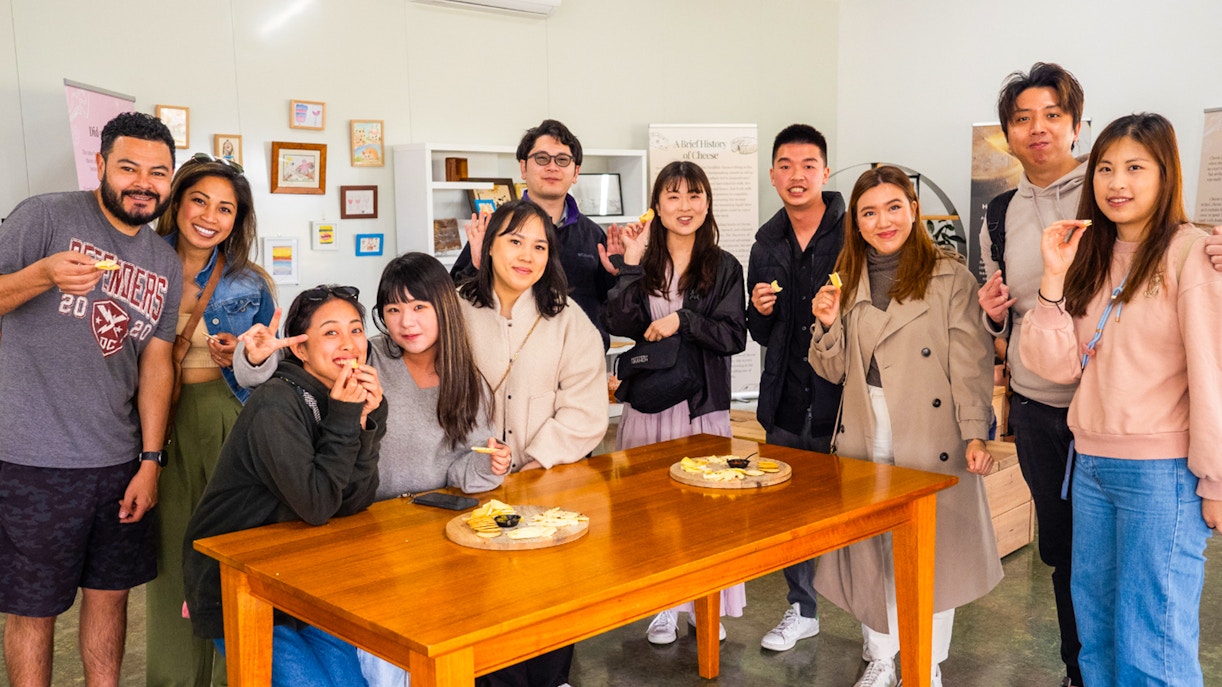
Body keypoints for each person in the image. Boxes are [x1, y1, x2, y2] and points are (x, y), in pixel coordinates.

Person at [1019, 113, 1222, 686]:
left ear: (1165, 175)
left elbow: (1212, 375)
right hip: (1091, 468)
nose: (1116, 182)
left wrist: (1216, 480)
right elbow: (1056, 365)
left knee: (1152, 646)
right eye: (1105, 168)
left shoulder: (1191, 253)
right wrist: (1054, 277)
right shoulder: (1089, 251)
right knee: (1099, 638)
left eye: (1135, 167)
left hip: (1162, 475)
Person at [0, 111, 181, 687]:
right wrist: (43, 275)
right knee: (34, 611)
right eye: (128, 167)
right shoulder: (45, 216)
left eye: (157, 172)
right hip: (32, 460)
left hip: (118, 462)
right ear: (100, 164)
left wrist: (150, 461)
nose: (142, 182)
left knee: (110, 601)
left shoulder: (163, 261)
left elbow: (156, 361)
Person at [809, 166, 1002, 687]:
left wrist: (976, 432)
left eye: (894, 207)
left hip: (929, 428)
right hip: (864, 425)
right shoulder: (843, 278)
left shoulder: (950, 277)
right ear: (857, 222)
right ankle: (881, 655)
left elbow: (969, 364)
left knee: (932, 552)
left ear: (914, 210)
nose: (883, 220)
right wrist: (826, 325)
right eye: (869, 212)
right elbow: (831, 371)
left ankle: (927, 662)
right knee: (870, 549)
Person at [182, 284, 387, 687]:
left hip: (303, 578)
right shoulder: (277, 403)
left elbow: (353, 502)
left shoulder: (341, 396)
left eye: (356, 330)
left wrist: (366, 424)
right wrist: (347, 419)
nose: (348, 343)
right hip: (238, 583)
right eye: (330, 332)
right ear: (300, 349)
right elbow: (316, 504)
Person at [460, 198, 607, 687]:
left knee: (547, 600)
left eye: (539, 245)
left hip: (547, 484)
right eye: (515, 241)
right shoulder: (455, 309)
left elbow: (585, 412)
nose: (527, 255)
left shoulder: (568, 319)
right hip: (470, 486)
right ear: (488, 247)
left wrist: (532, 465)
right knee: (479, 606)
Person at [975, 63, 1087, 687]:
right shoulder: (1000, 213)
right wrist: (992, 320)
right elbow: (1003, 318)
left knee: (1116, 552)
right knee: (1063, 550)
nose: (1037, 129)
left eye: (1051, 115)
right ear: (1008, 136)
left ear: (1075, 123)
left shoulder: (1108, 194)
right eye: (1021, 119)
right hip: (1038, 406)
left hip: (1106, 408)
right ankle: (1078, 669)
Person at [146, 153, 277, 687]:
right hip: (160, 426)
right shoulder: (138, 267)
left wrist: (243, 358)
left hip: (231, 421)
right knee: (170, 569)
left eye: (225, 208)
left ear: (236, 219)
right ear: (176, 202)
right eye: (199, 200)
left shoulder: (251, 281)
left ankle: (234, 678)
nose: (210, 215)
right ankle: (174, 679)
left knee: (229, 562)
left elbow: (270, 367)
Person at [603, 160, 746, 645]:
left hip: (702, 407)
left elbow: (733, 335)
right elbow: (619, 322)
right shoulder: (643, 261)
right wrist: (629, 262)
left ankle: (704, 603)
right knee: (649, 510)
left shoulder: (724, 266)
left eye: (694, 195)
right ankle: (662, 605)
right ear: (657, 205)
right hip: (649, 404)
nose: (685, 206)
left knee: (706, 511)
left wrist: (681, 320)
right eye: (673, 196)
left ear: (707, 203)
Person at [745, 123, 845, 652]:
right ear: (773, 175)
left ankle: (881, 626)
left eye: (808, 165)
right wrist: (759, 311)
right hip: (784, 396)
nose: (797, 175)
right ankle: (801, 609)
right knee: (790, 511)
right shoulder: (766, 242)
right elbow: (759, 332)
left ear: (825, 172)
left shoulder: (853, 233)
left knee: (853, 509)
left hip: (841, 399)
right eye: (785, 166)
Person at [450, 119, 619, 348]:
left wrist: (622, 271)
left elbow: (613, 311)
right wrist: (480, 268)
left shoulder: (593, 235)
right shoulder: (496, 228)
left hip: (581, 361)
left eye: (562, 160)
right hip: (511, 358)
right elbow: (455, 300)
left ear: (576, 171)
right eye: (541, 159)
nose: (552, 167)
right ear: (523, 168)